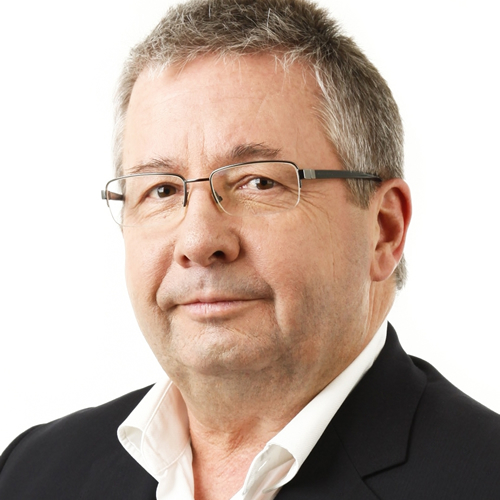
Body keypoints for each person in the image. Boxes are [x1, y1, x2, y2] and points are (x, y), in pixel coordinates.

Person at [1, 0, 499, 498]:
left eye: (259, 182)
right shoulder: (31, 474)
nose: (198, 242)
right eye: (162, 190)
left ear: (384, 230)